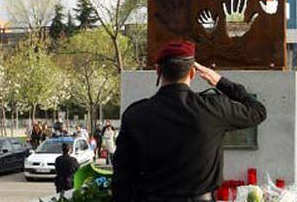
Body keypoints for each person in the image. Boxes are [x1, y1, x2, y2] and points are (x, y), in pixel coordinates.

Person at [112, 41, 267, 202]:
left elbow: (122, 176)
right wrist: (220, 82)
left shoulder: (136, 114)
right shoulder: (213, 108)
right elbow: (258, 111)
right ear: (192, 73)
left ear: (158, 71)